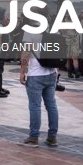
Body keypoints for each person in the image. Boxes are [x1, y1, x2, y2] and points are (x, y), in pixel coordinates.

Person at [20, 18, 59, 147]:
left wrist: (22, 71)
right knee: (51, 106)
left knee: (35, 106)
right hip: (51, 72)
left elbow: (25, 53)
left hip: (35, 74)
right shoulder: (52, 28)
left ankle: (33, 137)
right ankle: (52, 137)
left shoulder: (29, 31)